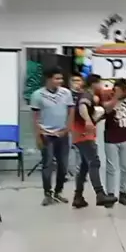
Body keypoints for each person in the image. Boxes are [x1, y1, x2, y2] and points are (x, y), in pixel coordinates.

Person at [69, 74, 117, 208]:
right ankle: (100, 194)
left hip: (81, 134)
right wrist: (88, 121)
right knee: (94, 162)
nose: (101, 86)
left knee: (85, 166)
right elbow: (82, 107)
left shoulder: (90, 96)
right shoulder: (87, 95)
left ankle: (78, 197)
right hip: (83, 135)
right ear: (94, 84)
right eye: (100, 83)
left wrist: (98, 118)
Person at [30, 67, 74, 206]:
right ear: (48, 79)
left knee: (63, 165)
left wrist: (67, 129)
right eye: (57, 78)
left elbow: (71, 111)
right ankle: (47, 194)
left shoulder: (66, 93)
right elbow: (35, 117)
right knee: (47, 164)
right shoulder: (37, 95)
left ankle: (58, 192)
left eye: (61, 78)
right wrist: (38, 135)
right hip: (46, 134)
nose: (60, 81)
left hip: (63, 134)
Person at [101, 79, 126, 206]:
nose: (120, 92)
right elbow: (107, 109)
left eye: (122, 90)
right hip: (111, 139)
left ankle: (123, 193)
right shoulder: (108, 96)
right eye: (117, 90)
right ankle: (110, 194)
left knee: (125, 168)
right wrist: (116, 98)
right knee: (111, 168)